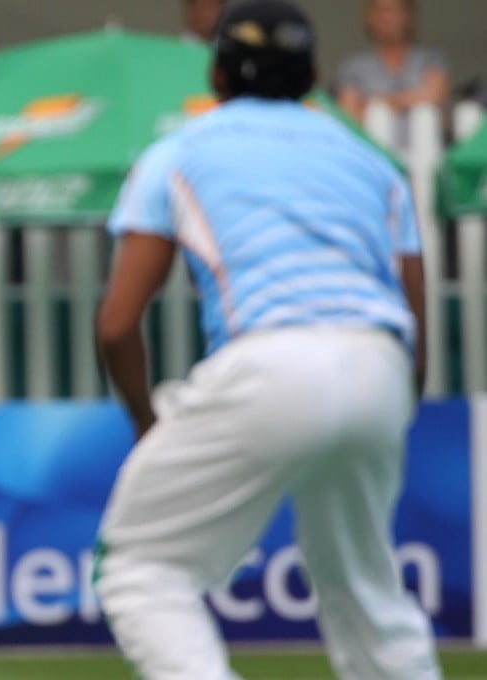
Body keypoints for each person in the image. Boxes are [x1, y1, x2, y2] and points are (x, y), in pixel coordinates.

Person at [93, 1, 442, 679]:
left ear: (217, 75)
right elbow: (415, 316)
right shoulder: (372, 162)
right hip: (380, 365)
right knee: (368, 589)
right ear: (313, 74)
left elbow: (116, 324)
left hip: (268, 363)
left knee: (142, 567)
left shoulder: (179, 151)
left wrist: (146, 423)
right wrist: (393, 404)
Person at [335, 0, 450, 152]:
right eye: (381, 11)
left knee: (424, 113)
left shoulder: (430, 59)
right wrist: (386, 107)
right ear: (369, 17)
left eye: (395, 11)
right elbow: (348, 115)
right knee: (379, 114)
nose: (388, 18)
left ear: (409, 15)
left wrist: (387, 102)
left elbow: (435, 96)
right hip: (375, 148)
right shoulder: (353, 67)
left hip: (425, 149)